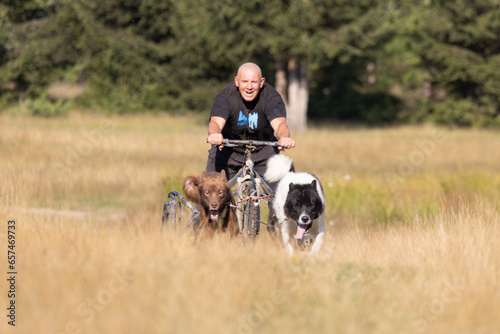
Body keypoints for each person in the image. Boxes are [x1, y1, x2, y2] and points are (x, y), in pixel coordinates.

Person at [205, 62, 295, 181]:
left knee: (281, 194)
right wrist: (215, 134)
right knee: (210, 191)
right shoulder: (225, 96)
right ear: (236, 81)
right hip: (228, 151)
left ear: (261, 82)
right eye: (244, 81)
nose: (249, 87)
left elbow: (280, 124)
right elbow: (215, 123)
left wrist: (284, 137)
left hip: (264, 152)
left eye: (253, 82)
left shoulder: (271, 97)